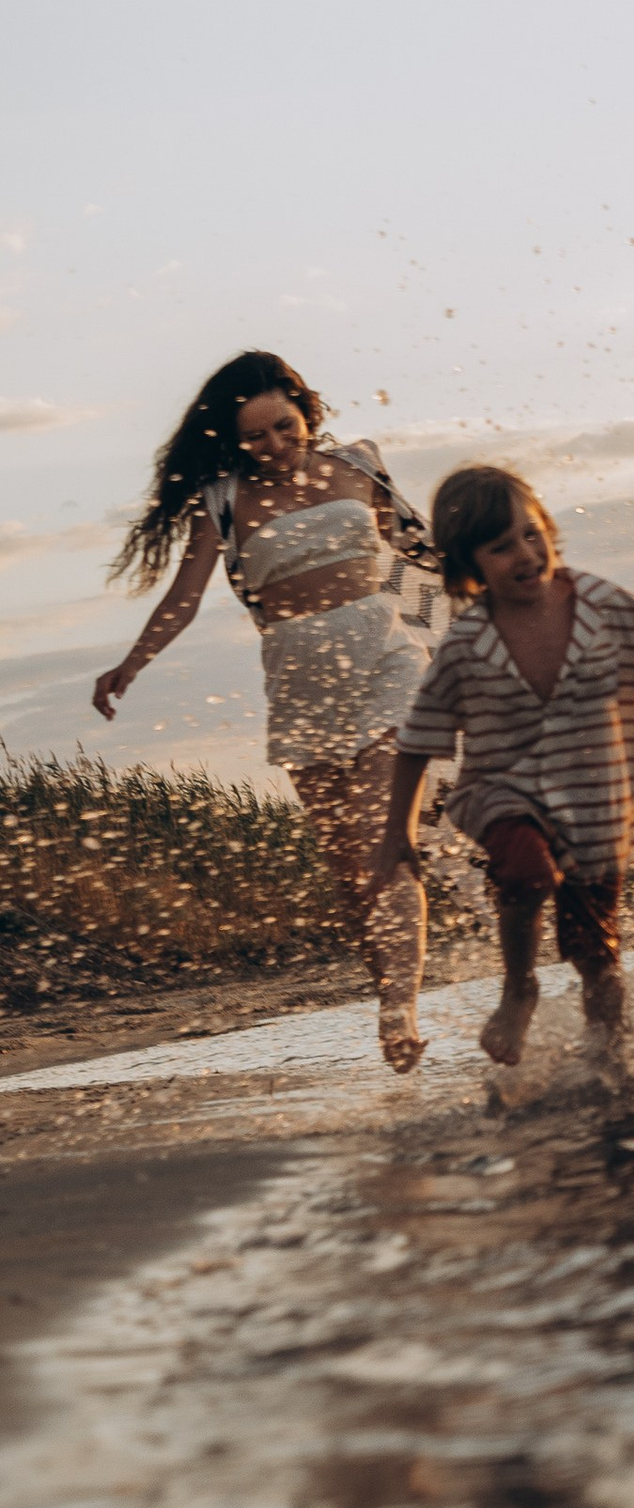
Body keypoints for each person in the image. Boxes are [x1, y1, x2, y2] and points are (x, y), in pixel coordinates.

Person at [95, 350, 435, 1068]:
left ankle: (403, 1009)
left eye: (285, 428)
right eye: (257, 438)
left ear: (307, 412)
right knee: (350, 874)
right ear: (234, 441)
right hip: (299, 682)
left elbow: (421, 555)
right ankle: (387, 995)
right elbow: (184, 598)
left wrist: (502, 613)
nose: (276, 447)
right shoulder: (222, 498)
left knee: (386, 844)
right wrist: (130, 664)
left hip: (385, 657)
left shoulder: (361, 465)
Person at [375, 465, 634, 1068]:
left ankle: (609, 1057)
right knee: (526, 871)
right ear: (469, 565)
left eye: (532, 535)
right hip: (503, 791)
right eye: (501, 547)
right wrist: (398, 833)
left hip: (597, 805)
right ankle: (519, 985)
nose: (525, 554)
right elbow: (419, 739)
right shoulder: (466, 643)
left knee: (595, 955)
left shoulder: (599, 602)